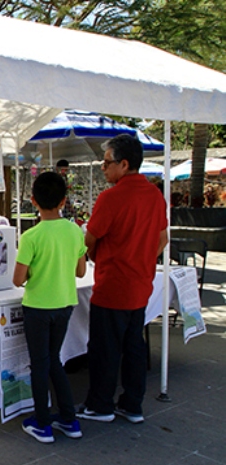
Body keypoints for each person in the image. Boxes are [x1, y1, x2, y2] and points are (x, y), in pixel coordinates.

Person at [77, 134, 168, 424]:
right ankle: (132, 404)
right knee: (134, 347)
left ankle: (100, 405)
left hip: (113, 285)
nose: (103, 168)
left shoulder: (111, 198)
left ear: (124, 164)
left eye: (106, 163)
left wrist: (94, 254)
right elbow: (163, 239)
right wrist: (141, 258)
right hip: (140, 285)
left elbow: (89, 239)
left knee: (105, 348)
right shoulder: (155, 195)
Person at [13, 171, 87, 443]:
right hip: (65, 305)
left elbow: (18, 279)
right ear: (64, 201)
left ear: (33, 201)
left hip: (37, 307)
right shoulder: (75, 231)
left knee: (40, 364)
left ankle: (42, 423)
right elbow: (80, 271)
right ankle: (69, 418)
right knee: (54, 359)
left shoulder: (31, 236)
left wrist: (36, 269)